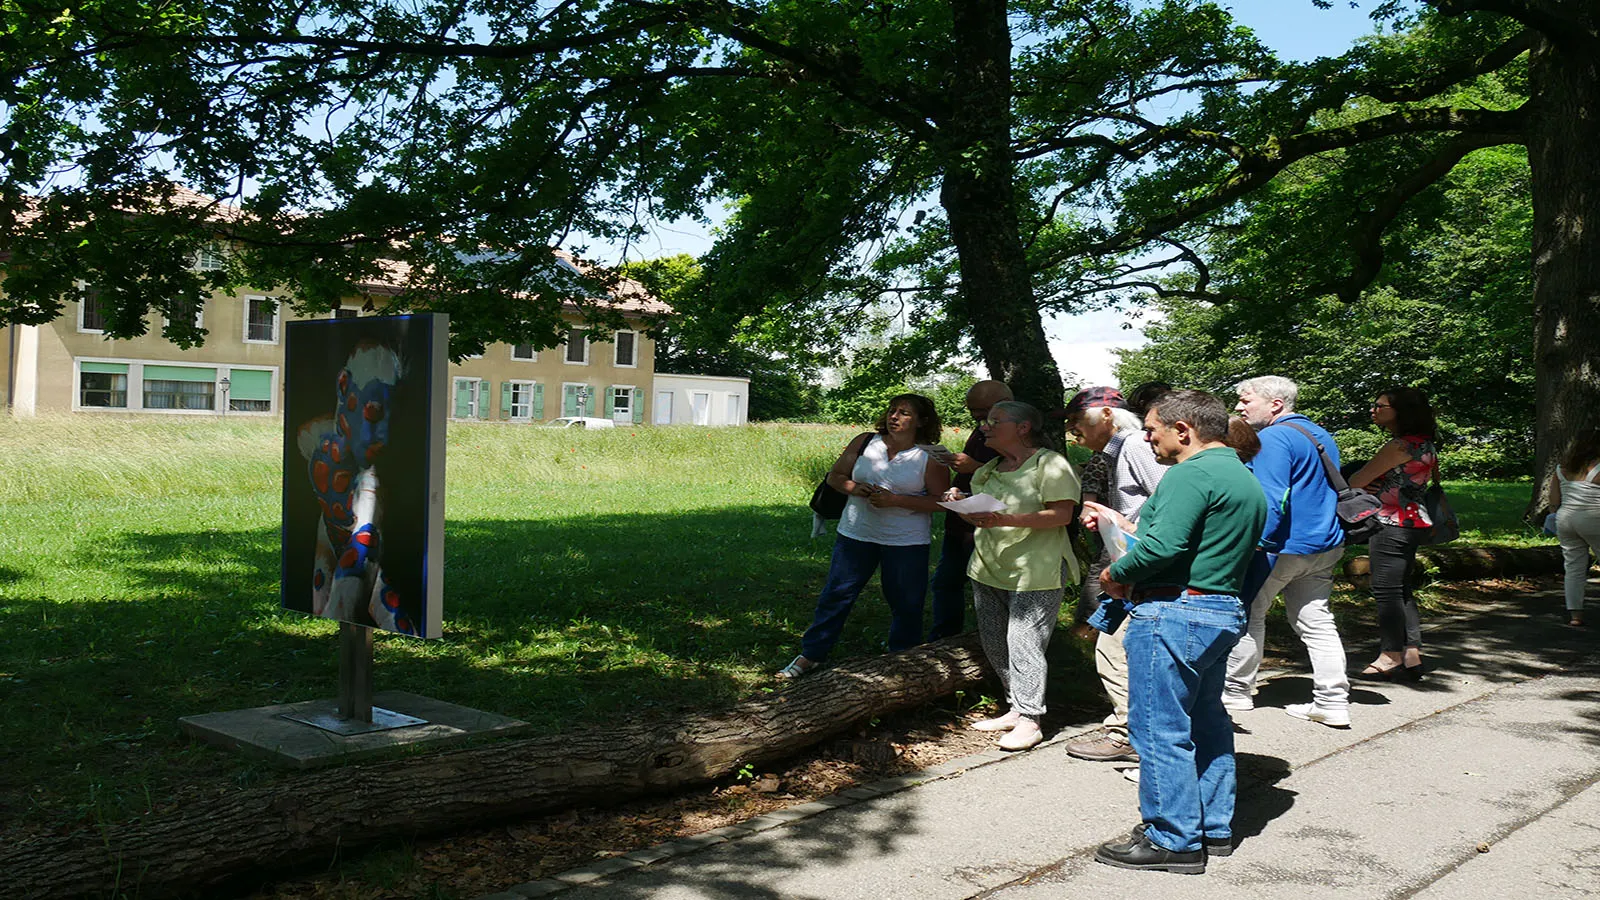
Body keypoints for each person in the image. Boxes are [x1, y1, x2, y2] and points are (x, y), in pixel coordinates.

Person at [1093, 390, 1266, 874]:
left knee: (1158, 728)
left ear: (1184, 430)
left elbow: (1162, 546)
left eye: (1152, 428)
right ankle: (1212, 826)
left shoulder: (1189, 473)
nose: (1146, 436)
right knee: (1207, 721)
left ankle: (1172, 837)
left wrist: (1117, 573)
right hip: (1220, 610)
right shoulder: (1241, 474)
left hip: (1175, 612)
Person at [778, 394, 951, 678]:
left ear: (921, 421)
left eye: (904, 413)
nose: (894, 416)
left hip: (905, 541)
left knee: (906, 603)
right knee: (837, 594)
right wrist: (853, 487)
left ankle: (902, 660)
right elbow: (834, 476)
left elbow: (940, 501)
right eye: (892, 410)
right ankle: (811, 655)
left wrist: (896, 500)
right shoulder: (864, 441)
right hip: (856, 534)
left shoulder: (930, 456)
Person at [948, 401, 1081, 751]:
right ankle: (1015, 706)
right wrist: (961, 503)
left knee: (1024, 642)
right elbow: (982, 516)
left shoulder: (1049, 463)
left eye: (994, 422)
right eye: (984, 422)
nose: (984, 428)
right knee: (995, 640)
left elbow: (1062, 515)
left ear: (1023, 427)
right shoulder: (990, 468)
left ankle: (1031, 719)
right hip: (989, 565)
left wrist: (1005, 520)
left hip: (1036, 567)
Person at [1223, 376, 1352, 729]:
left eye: (1246, 400)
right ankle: (1332, 701)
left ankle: (1235, 692)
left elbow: (1271, 500)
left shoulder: (1273, 438)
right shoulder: (1319, 433)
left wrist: (1252, 546)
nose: (1238, 407)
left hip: (1282, 548)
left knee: (1249, 614)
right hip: (1326, 543)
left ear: (1275, 404)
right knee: (1317, 623)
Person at [1061, 387, 1167, 767]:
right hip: (1136, 567)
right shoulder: (1118, 451)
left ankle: (1130, 735)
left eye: (1077, 420)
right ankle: (1138, 733)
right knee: (1117, 647)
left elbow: (1171, 501)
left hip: (1148, 569)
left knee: (1116, 650)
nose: (1073, 430)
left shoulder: (1136, 445)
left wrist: (1127, 531)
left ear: (1107, 415)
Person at [1347, 387, 1439, 682]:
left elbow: (1357, 480)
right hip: (1413, 522)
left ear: (1401, 412)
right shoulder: (1424, 443)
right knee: (1402, 588)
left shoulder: (1398, 446)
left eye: (1380, 406)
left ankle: (1391, 655)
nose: (1374, 410)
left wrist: (1363, 480)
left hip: (1390, 522)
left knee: (1385, 590)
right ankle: (1412, 653)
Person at [928, 380, 1012, 640]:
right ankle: (944, 640)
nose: (976, 416)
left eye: (982, 409)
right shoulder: (982, 428)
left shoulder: (1017, 432)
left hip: (989, 522)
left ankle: (995, 640)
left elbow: (1015, 476)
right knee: (945, 583)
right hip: (961, 519)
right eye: (971, 411)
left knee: (988, 589)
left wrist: (974, 466)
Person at [1548, 428, 1600, 627]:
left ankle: (1575, 615)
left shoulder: (1562, 468)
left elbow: (1553, 500)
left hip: (1565, 519)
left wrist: (1553, 515)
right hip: (1594, 517)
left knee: (1573, 568)